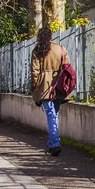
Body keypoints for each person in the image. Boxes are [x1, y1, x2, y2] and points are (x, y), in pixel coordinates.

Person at [31, 27, 70, 157]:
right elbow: (68, 67)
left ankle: (54, 144)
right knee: (55, 114)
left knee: (50, 114)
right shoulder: (61, 49)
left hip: (44, 87)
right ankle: (52, 142)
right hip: (59, 86)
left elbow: (34, 72)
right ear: (51, 36)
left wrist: (34, 86)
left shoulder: (37, 51)